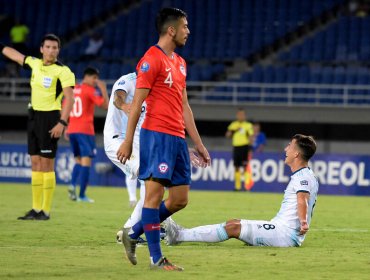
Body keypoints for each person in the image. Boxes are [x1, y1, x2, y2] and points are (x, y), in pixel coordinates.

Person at [116, 7, 211, 271]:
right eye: (185, 27)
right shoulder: (151, 59)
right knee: (153, 197)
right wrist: (127, 140)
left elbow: (185, 107)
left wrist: (199, 143)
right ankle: (156, 259)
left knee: (180, 199)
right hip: (156, 135)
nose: (188, 31)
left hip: (178, 138)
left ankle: (133, 232)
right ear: (172, 30)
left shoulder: (180, 63)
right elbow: (136, 104)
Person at [164, 134, 318, 248]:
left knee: (233, 227)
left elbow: (302, 199)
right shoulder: (307, 175)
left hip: (285, 234)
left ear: (296, 154)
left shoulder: (302, 177)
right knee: (234, 224)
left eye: (290, 146)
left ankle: (179, 235)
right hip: (280, 229)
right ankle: (181, 234)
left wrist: (303, 222)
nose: (286, 149)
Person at [0, 34, 75, 220]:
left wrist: (62, 123)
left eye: (55, 48)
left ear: (58, 50)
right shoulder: (34, 63)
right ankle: (35, 209)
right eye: (48, 47)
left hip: (50, 118)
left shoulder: (63, 71)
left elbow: (70, 99)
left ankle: (46, 211)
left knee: (47, 163)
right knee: (35, 162)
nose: (51, 50)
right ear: (41, 49)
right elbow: (15, 55)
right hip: (33, 116)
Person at [103, 72, 146, 209]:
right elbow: (118, 97)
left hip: (135, 139)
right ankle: (156, 221)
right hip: (116, 139)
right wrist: (124, 106)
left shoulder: (153, 88)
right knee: (148, 175)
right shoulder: (127, 81)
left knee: (152, 180)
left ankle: (133, 225)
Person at [66, 67, 108, 203]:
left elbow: (64, 107)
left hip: (72, 129)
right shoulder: (89, 90)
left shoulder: (73, 89)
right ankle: (82, 195)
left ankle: (72, 185)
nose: (96, 81)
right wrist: (103, 89)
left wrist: (66, 127)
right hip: (85, 130)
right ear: (88, 77)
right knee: (86, 162)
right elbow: (105, 105)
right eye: (95, 78)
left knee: (78, 160)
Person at [226, 108, 254, 191]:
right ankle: (237, 187)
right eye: (239, 114)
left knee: (245, 166)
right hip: (236, 147)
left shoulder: (248, 125)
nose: (241, 116)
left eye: (242, 115)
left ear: (244, 116)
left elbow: (251, 137)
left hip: (245, 147)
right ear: (237, 115)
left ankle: (246, 186)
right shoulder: (233, 125)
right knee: (236, 167)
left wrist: (250, 147)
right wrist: (234, 130)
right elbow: (228, 135)